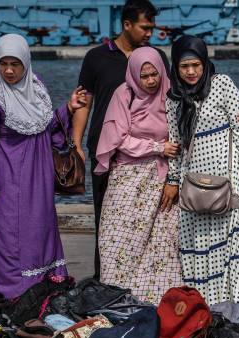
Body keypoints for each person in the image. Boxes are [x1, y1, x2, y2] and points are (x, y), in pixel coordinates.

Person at [75, 0, 239, 280]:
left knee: (161, 235)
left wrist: (235, 115)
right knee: (111, 229)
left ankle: (155, 290)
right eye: (145, 27)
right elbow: (84, 102)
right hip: (114, 160)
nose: (151, 79)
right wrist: (76, 143)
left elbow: (187, 100)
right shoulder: (98, 59)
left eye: (155, 73)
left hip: (161, 168)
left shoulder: (158, 58)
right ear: (127, 24)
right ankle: (107, 286)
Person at [0, 34, 88, 300]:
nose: (8, 70)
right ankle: (8, 297)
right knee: (4, 238)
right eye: (3, 63)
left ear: (25, 63)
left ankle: (41, 295)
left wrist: (69, 108)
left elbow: (48, 129)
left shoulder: (36, 88)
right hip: (6, 184)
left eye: (15, 64)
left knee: (39, 232)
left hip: (38, 182)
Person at [164, 35, 239, 306]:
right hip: (194, 182)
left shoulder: (222, 84)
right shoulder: (173, 99)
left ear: (205, 63)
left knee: (236, 244)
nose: (191, 72)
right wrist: (172, 181)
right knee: (201, 246)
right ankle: (207, 308)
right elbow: (175, 144)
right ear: (176, 68)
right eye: (184, 67)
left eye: (196, 64)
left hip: (228, 177)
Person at [95, 47, 182, 304]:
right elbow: (118, 138)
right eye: (144, 76)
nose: (151, 81)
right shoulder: (123, 94)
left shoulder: (172, 95)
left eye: (155, 74)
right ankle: (117, 298)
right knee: (118, 240)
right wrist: (156, 147)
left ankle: (156, 300)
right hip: (128, 179)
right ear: (134, 75)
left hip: (162, 179)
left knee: (162, 242)